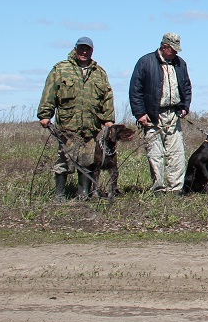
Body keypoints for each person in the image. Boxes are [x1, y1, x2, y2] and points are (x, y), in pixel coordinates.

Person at [37, 36, 115, 201]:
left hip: (91, 127)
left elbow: (107, 97)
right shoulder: (61, 69)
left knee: (87, 161)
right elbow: (49, 93)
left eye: (87, 49)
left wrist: (109, 120)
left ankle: (83, 194)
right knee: (64, 160)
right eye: (81, 48)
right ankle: (59, 195)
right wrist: (45, 115)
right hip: (68, 126)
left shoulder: (99, 72)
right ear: (75, 49)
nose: (84, 52)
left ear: (92, 51)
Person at [129, 33, 192, 194]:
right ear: (164, 47)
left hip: (173, 115)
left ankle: (175, 189)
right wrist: (140, 113)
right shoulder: (146, 62)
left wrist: (185, 107)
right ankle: (158, 188)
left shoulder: (180, 64)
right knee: (155, 154)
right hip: (152, 116)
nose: (176, 52)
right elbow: (135, 90)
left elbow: (186, 87)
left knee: (176, 153)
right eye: (173, 49)